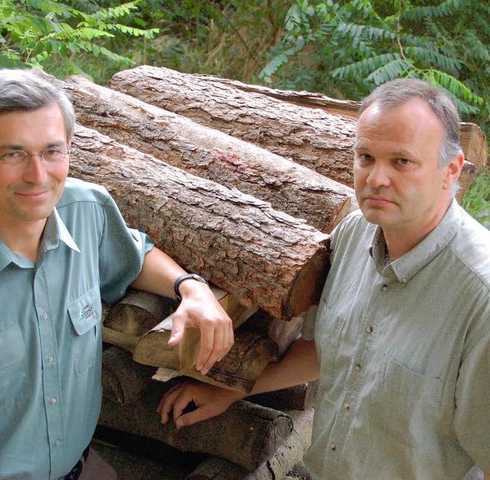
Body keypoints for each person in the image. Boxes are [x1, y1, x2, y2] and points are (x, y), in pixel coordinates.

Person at [0, 68, 234, 480]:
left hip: (80, 468)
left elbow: (135, 256)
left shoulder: (88, 210)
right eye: (13, 154)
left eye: (52, 152)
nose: (37, 175)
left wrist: (190, 288)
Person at [158, 78, 490, 479]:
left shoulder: (479, 297)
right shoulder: (352, 236)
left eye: (401, 161)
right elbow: (326, 350)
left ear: (449, 170)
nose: (376, 178)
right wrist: (229, 391)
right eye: (366, 157)